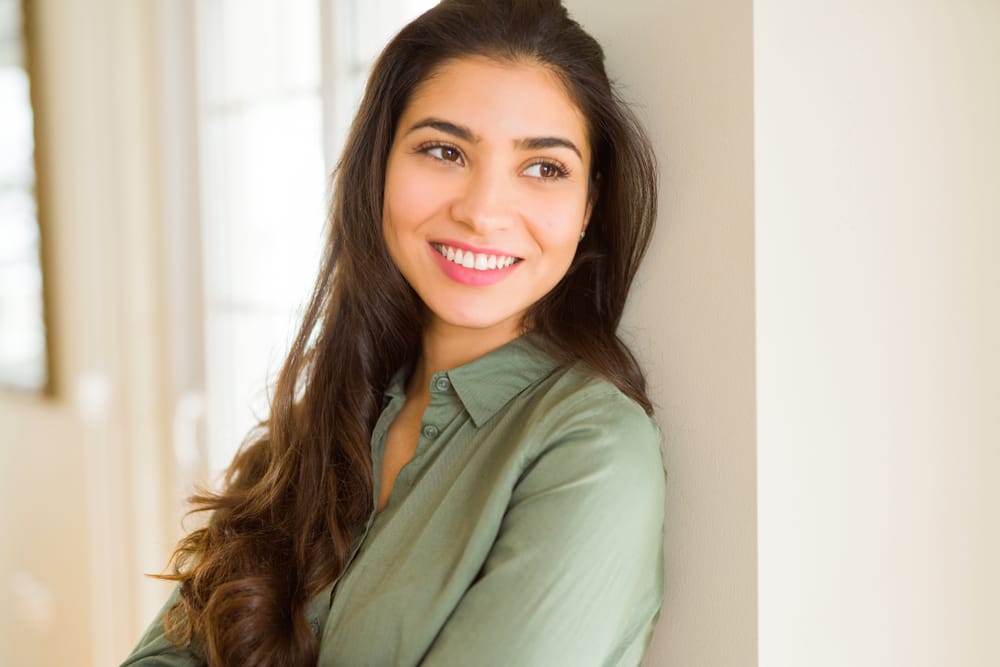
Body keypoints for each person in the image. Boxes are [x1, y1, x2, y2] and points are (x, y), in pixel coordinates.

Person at [123, 0, 664, 665]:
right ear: (379, 167)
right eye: (444, 151)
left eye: (543, 167)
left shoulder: (591, 451)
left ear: (589, 205)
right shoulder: (329, 409)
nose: (482, 212)